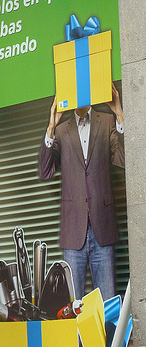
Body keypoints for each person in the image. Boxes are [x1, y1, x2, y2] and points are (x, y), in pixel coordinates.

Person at [38, 83, 125, 300]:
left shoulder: (106, 122)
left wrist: (119, 114)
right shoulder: (61, 130)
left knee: (107, 306)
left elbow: (124, 159)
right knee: (73, 308)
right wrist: (51, 126)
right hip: (73, 231)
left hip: (102, 229)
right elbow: (46, 171)